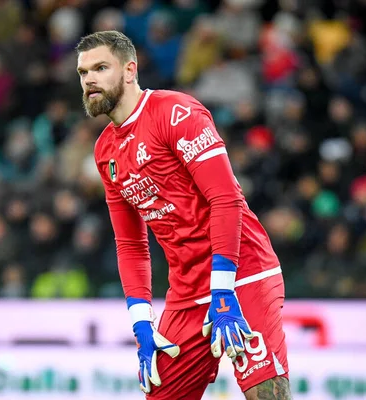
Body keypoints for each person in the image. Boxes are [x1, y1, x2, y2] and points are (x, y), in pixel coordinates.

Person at [76, 31, 291, 399]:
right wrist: (141, 321)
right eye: (83, 73)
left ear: (130, 71)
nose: (89, 80)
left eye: (100, 68)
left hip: (242, 274)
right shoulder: (104, 152)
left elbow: (226, 199)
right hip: (186, 291)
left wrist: (223, 289)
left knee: (267, 394)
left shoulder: (176, 112)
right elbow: (130, 243)